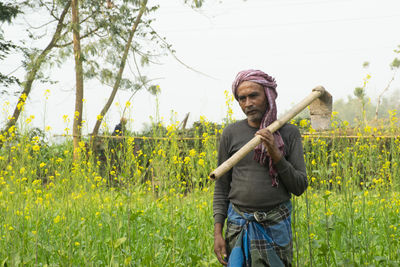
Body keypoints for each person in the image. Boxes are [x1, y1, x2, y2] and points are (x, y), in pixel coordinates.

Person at [213, 70, 308, 266]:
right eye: (242, 98)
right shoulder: (231, 133)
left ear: (268, 95)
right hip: (237, 224)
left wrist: (275, 153)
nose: (248, 103)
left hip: (275, 226)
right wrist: (217, 233)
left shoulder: (288, 133)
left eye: (254, 95)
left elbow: (299, 186)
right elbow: (221, 187)